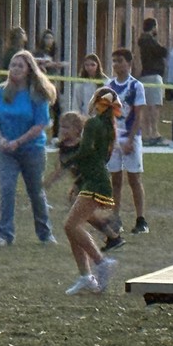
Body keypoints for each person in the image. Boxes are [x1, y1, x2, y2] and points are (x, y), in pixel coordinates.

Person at [45, 98, 122, 295]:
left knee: (70, 225)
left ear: (79, 130)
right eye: (61, 125)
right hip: (86, 185)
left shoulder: (83, 145)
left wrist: (46, 183)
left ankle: (102, 262)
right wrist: (75, 187)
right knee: (72, 229)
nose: (62, 129)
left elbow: (82, 166)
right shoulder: (65, 147)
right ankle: (86, 276)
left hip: (97, 185)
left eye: (67, 127)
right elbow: (70, 169)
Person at [0, 49, 58, 247]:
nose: (16, 69)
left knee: (36, 192)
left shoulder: (37, 94)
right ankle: (4, 234)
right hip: (6, 151)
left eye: (21, 65)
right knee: (7, 189)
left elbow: (40, 124)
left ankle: (45, 234)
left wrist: (18, 142)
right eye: (13, 65)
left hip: (32, 150)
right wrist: (1, 139)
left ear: (29, 69)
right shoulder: (1, 92)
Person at [108, 47, 150, 234]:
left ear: (129, 63)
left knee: (134, 178)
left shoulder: (136, 86)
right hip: (114, 137)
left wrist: (131, 139)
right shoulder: (109, 85)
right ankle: (115, 217)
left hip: (130, 137)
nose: (117, 64)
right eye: (114, 61)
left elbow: (138, 115)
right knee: (115, 179)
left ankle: (141, 219)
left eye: (120, 61)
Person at [137, 17, 168, 145]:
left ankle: (146, 133)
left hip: (145, 75)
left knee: (147, 106)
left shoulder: (142, 41)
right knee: (154, 106)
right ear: (153, 27)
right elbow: (163, 52)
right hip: (153, 76)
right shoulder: (149, 40)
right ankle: (153, 133)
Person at [33, 28, 67, 135]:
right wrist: (52, 64)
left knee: (57, 110)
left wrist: (58, 65)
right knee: (41, 109)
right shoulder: (38, 52)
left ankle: (55, 135)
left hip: (53, 84)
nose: (49, 40)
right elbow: (35, 64)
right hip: (41, 85)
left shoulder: (54, 53)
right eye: (47, 38)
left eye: (51, 38)